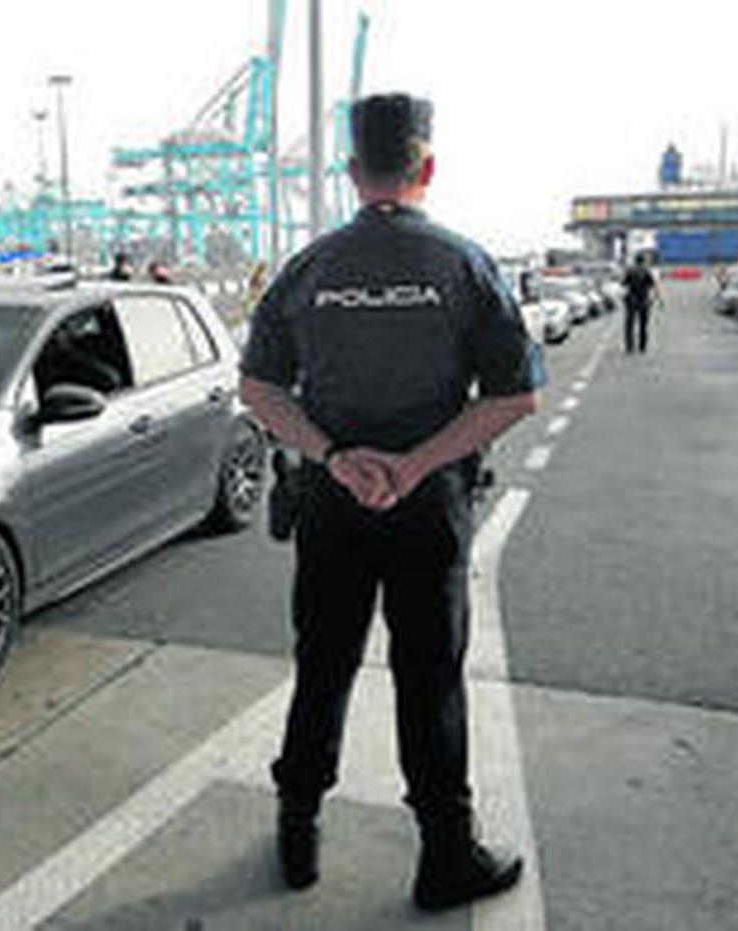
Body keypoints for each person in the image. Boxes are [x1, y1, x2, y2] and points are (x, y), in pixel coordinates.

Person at [240, 92, 543, 912]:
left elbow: (258, 388)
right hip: (426, 504)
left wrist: (336, 457)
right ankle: (446, 853)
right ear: (428, 167)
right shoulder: (466, 265)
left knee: (323, 665)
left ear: (350, 172)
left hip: (333, 503)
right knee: (429, 676)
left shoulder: (309, 269)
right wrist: (414, 465)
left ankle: (298, 830)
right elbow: (515, 395)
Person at [622, 252, 661, 354]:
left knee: (629, 325)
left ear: (635, 261)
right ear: (643, 261)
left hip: (631, 300)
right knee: (643, 324)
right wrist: (658, 299)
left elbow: (623, 284)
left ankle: (629, 346)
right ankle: (642, 346)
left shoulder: (630, 271)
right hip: (644, 300)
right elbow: (654, 286)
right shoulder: (646, 272)